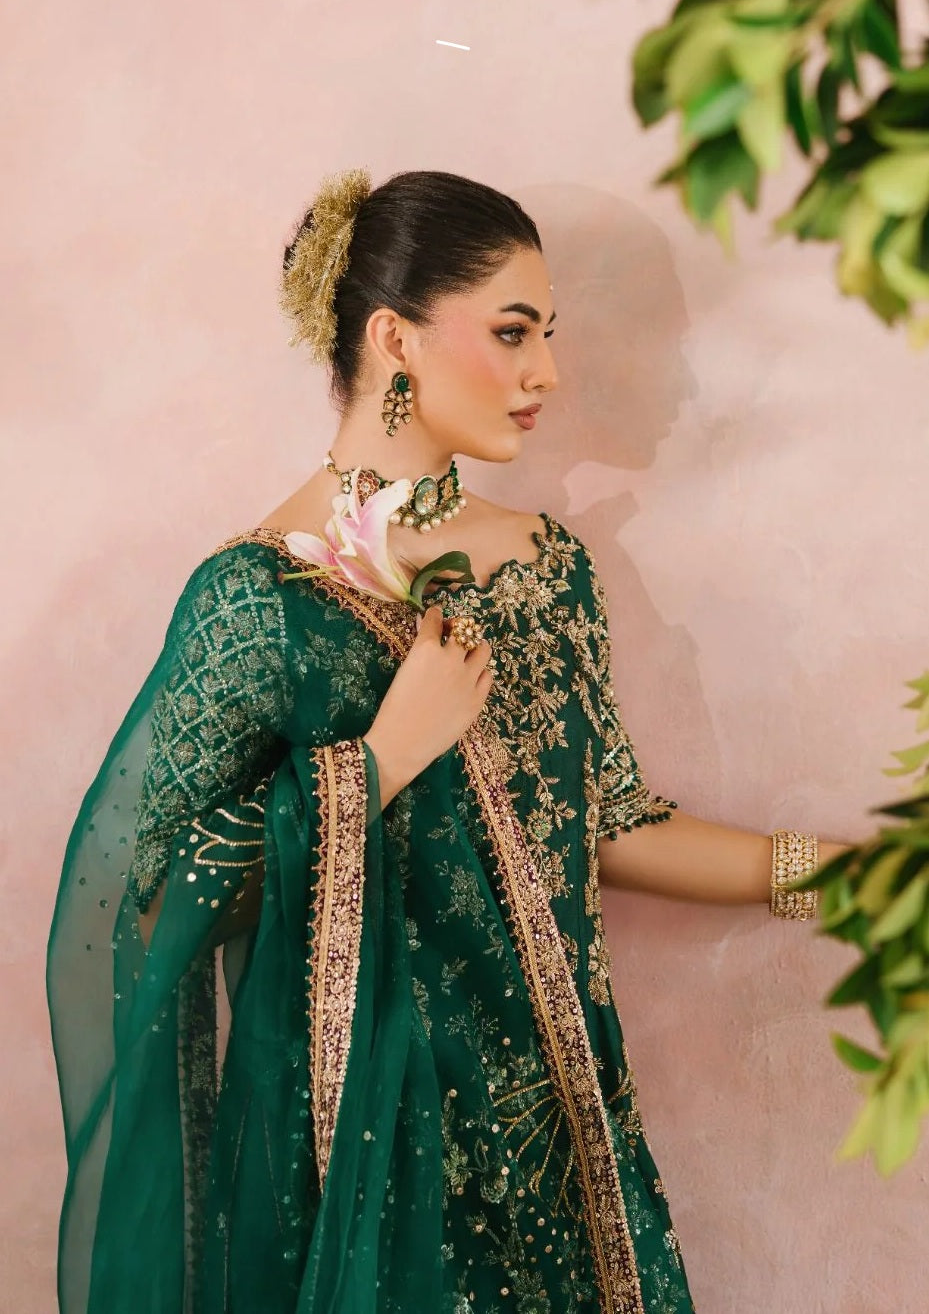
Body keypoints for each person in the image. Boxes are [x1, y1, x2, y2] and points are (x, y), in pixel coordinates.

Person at [46, 167, 847, 1314]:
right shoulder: (258, 600)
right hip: (374, 1180)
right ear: (394, 339)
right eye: (512, 332)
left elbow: (606, 825)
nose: (546, 374)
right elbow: (139, 902)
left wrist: (840, 881)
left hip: (563, 1150)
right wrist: (376, 763)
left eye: (546, 335)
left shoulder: (547, 566)